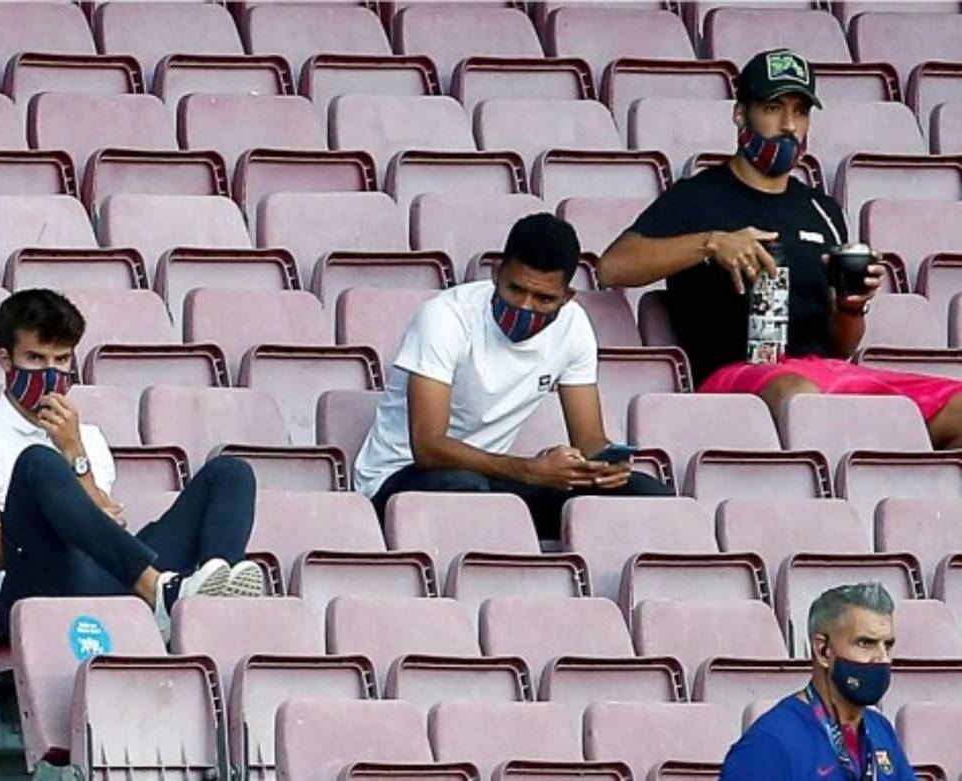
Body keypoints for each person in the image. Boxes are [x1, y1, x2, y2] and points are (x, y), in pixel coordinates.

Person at [597, 48, 962, 449]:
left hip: (827, 373)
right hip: (736, 373)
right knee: (801, 397)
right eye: (773, 108)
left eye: (801, 111)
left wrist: (851, 305)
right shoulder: (697, 197)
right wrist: (711, 243)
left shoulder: (822, 211)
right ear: (740, 114)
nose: (788, 125)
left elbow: (840, 346)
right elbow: (613, 267)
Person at [0, 289, 264, 641]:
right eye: (35, 359)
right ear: (5, 360)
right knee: (37, 462)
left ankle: (209, 613)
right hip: (26, 590)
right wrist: (61, 525)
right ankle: (161, 593)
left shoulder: (86, 436)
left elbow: (105, 530)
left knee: (231, 473)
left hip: (102, 575)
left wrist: (74, 452)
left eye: (61, 360)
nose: (50, 373)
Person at [355, 212, 673, 535]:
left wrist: (601, 465)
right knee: (468, 488)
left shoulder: (574, 327)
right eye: (515, 289)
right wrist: (529, 471)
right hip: (399, 479)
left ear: (567, 297)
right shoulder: (445, 318)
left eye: (544, 299)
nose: (525, 306)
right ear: (496, 274)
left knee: (645, 493)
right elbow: (428, 447)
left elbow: (588, 437)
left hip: (498, 481)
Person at [720, 583, 915, 780]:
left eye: (887, 645)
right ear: (823, 651)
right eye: (865, 644)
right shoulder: (768, 744)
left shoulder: (880, 730)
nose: (882, 658)